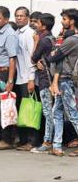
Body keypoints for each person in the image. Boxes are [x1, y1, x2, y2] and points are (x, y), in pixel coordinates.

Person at [47, 8, 78, 156]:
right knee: (57, 113)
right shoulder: (68, 38)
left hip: (65, 81)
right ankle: (57, 145)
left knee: (72, 114)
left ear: (72, 21)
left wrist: (55, 52)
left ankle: (57, 145)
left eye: (65, 19)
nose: (62, 21)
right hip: (61, 80)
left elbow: (53, 58)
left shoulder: (72, 40)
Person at [0, 6, 18, 150]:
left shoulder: (10, 34)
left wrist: (10, 80)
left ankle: (7, 139)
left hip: (4, 74)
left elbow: (13, 59)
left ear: (6, 19)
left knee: (5, 107)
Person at [14, 7, 39, 151]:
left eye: (21, 16)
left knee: (30, 111)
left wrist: (31, 79)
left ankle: (32, 141)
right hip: (19, 78)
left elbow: (32, 57)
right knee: (22, 110)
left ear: (27, 17)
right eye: (17, 16)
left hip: (27, 78)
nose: (19, 18)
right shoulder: (17, 33)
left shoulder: (30, 34)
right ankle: (23, 140)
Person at [30, 13, 56, 154]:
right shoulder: (52, 38)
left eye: (38, 23)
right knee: (54, 112)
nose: (36, 25)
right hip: (53, 78)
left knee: (48, 112)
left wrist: (35, 41)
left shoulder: (43, 40)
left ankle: (47, 142)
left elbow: (33, 58)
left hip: (46, 80)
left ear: (43, 26)